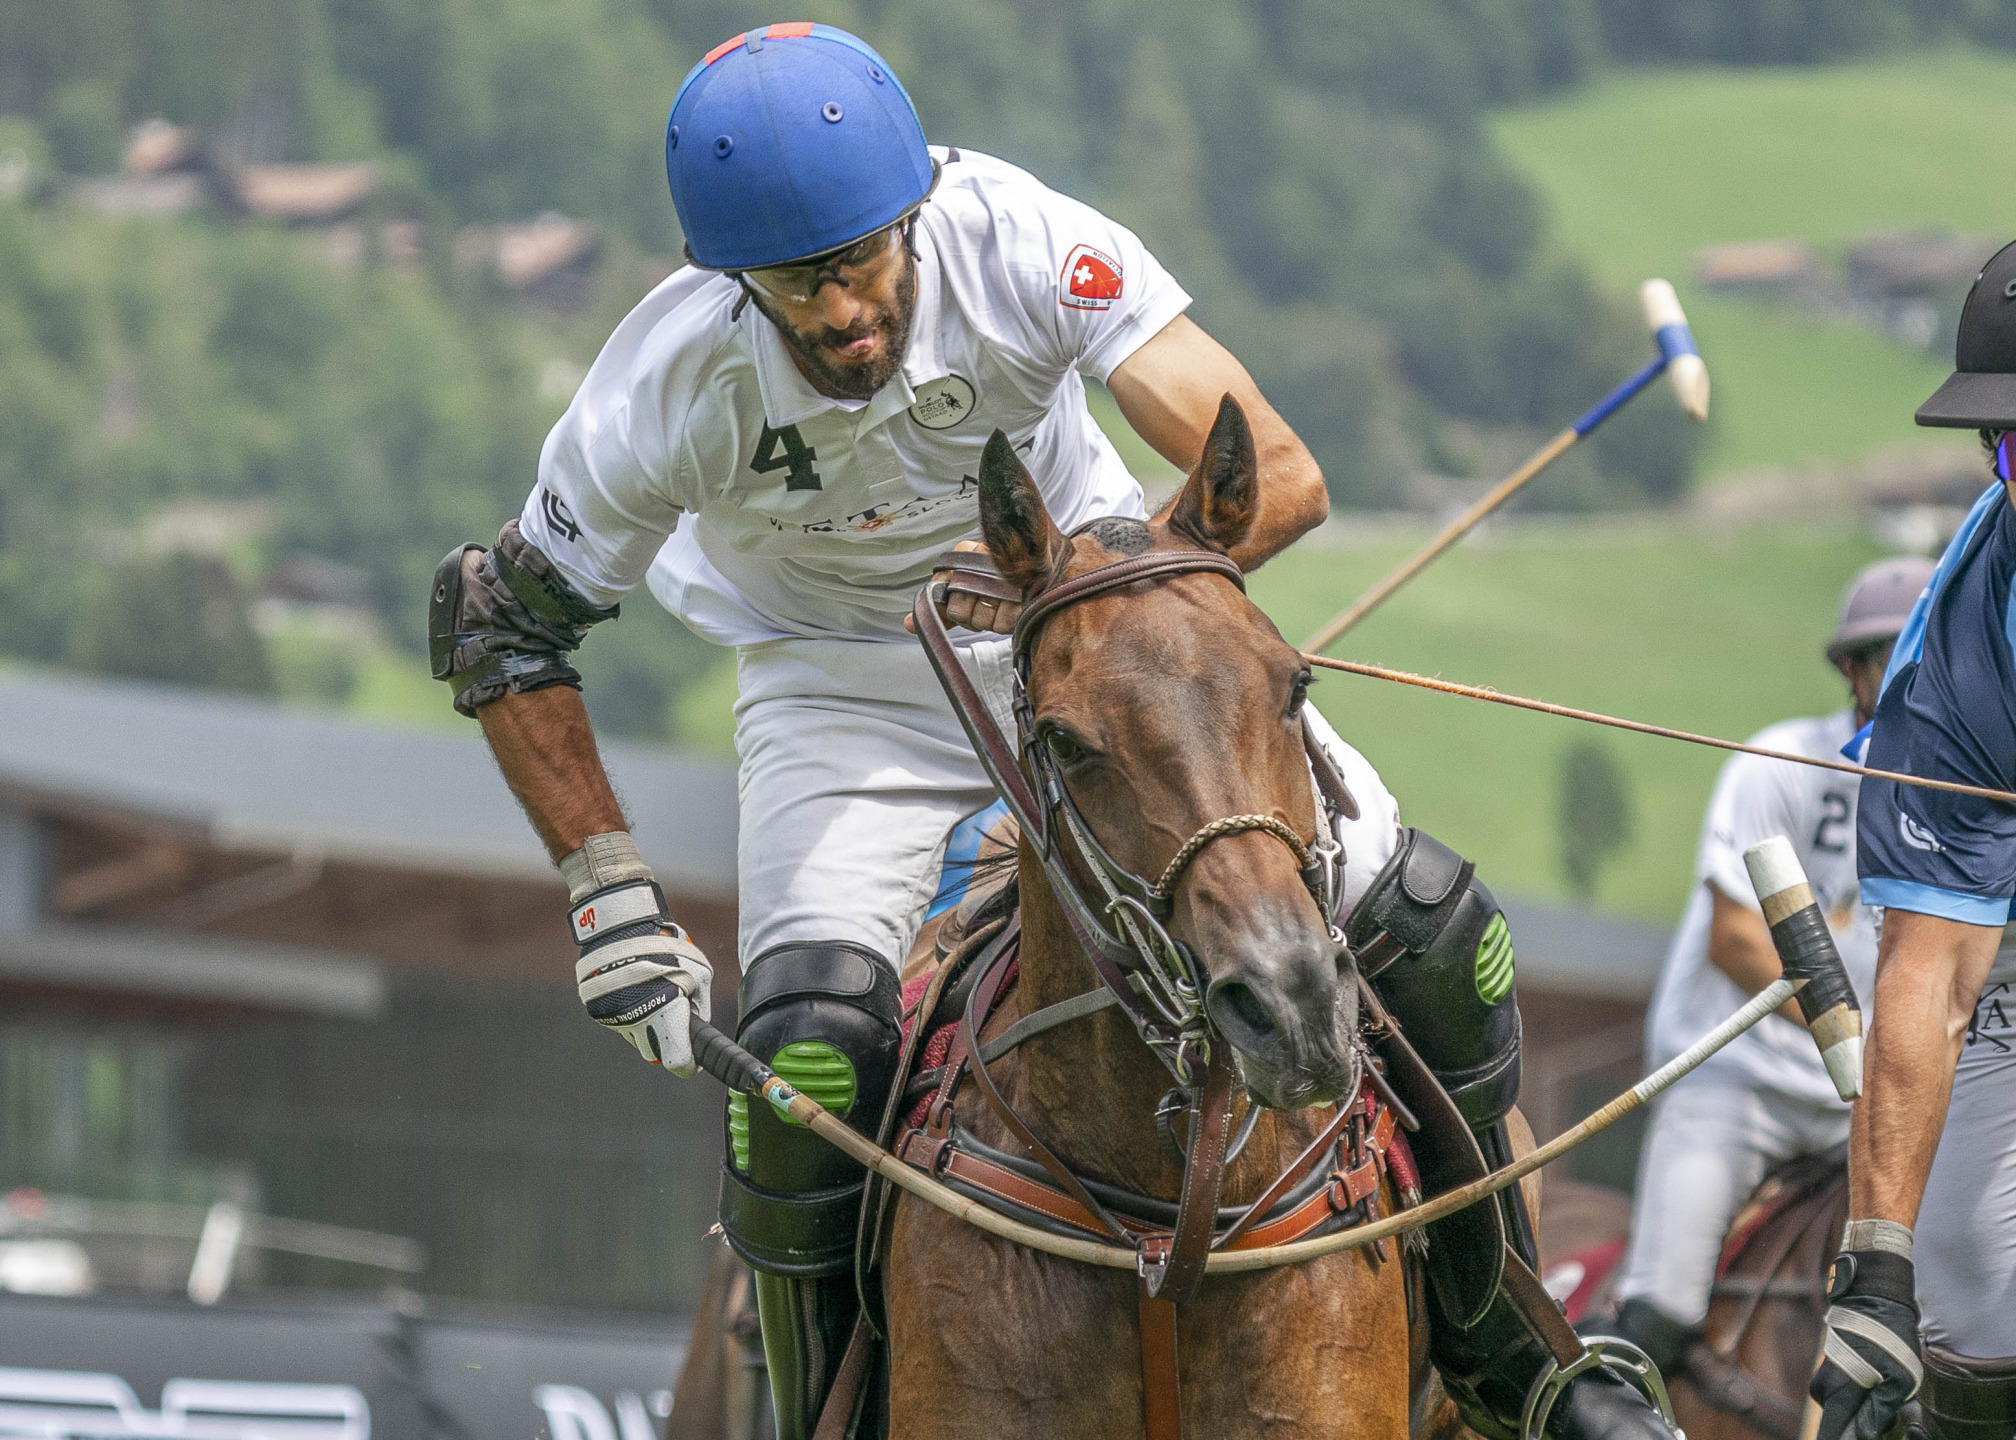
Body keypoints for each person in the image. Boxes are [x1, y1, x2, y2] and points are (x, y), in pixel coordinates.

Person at [428, 24, 1678, 1439]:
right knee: (811, 1062)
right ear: (734, 281)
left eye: (864, 260)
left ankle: (1515, 1352)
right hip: (844, 695)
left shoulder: (1025, 242)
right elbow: (501, 625)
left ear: (912, 214)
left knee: (1443, 930)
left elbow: (1273, 469)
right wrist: (610, 900)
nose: (844, 310)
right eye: (797, 285)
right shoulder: (663, 388)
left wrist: (1110, 612)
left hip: (1100, 632)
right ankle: (821, 1409)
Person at [1603, 557, 1933, 1393]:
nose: (1900, 678)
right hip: (1739, 1086)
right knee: (1663, 1313)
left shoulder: (1966, 804)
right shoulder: (1778, 764)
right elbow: (1736, 939)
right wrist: (1855, 1031)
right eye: (1881, 656)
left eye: (1918, 657)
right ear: (1851, 671)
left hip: (1870, 1103)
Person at [1803, 239, 2016, 1440]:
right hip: (2011, 965)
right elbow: (1929, 979)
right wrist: (1873, 1267)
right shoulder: (1959, 664)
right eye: (2014, 451)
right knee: (1968, 1295)